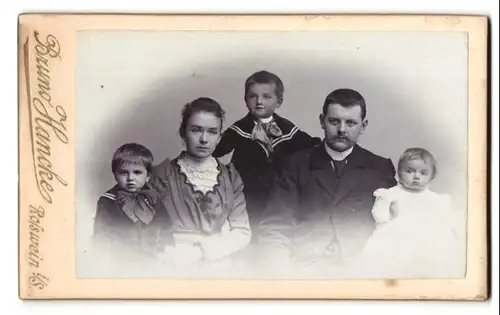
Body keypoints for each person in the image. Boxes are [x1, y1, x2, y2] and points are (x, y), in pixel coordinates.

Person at [257, 88, 397, 277]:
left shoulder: (380, 168)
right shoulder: (295, 164)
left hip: (362, 271)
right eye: (334, 121)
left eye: (351, 123)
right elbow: (274, 228)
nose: (341, 130)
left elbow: (393, 230)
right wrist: (283, 274)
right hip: (304, 269)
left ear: (363, 126)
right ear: (322, 121)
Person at [148, 97, 251, 274]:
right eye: (196, 130)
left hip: (221, 266)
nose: (204, 139)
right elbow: (144, 228)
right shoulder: (162, 174)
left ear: (219, 137)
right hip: (174, 264)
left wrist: (205, 251)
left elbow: (242, 231)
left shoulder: (230, 176)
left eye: (212, 132)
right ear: (183, 133)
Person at [213, 70, 321, 232]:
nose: (259, 102)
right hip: (248, 193)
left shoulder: (287, 129)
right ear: (245, 99)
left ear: (279, 101)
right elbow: (215, 149)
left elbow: (309, 144)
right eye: (252, 96)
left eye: (267, 97)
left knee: (280, 226)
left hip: (280, 192)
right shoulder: (239, 129)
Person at [352, 148, 464, 278]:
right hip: (394, 243)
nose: (416, 177)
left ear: (431, 176)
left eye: (423, 173)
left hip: (426, 243)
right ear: (399, 172)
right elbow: (378, 216)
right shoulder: (389, 194)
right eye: (409, 171)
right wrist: (389, 213)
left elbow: (448, 223)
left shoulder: (437, 200)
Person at [93, 143, 173, 273]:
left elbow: (167, 229)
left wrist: (164, 254)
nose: (130, 178)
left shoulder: (153, 200)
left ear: (148, 176)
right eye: (124, 172)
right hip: (121, 264)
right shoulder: (108, 201)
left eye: (137, 172)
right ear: (115, 175)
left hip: (154, 262)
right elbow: (101, 237)